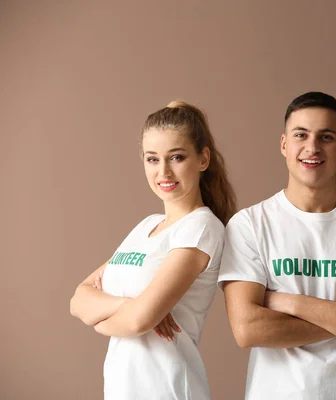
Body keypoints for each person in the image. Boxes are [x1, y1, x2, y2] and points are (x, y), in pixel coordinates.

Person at [217, 91, 336, 399]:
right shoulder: (249, 224)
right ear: (284, 145)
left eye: (326, 137)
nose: (312, 147)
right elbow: (247, 328)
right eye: (301, 135)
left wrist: (287, 302)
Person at [69, 101, 236, 400]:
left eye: (177, 157)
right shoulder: (147, 225)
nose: (164, 171)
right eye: (152, 159)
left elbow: (139, 321)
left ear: (203, 158)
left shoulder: (202, 227)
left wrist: (101, 320)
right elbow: (78, 299)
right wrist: (128, 305)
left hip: (167, 389)